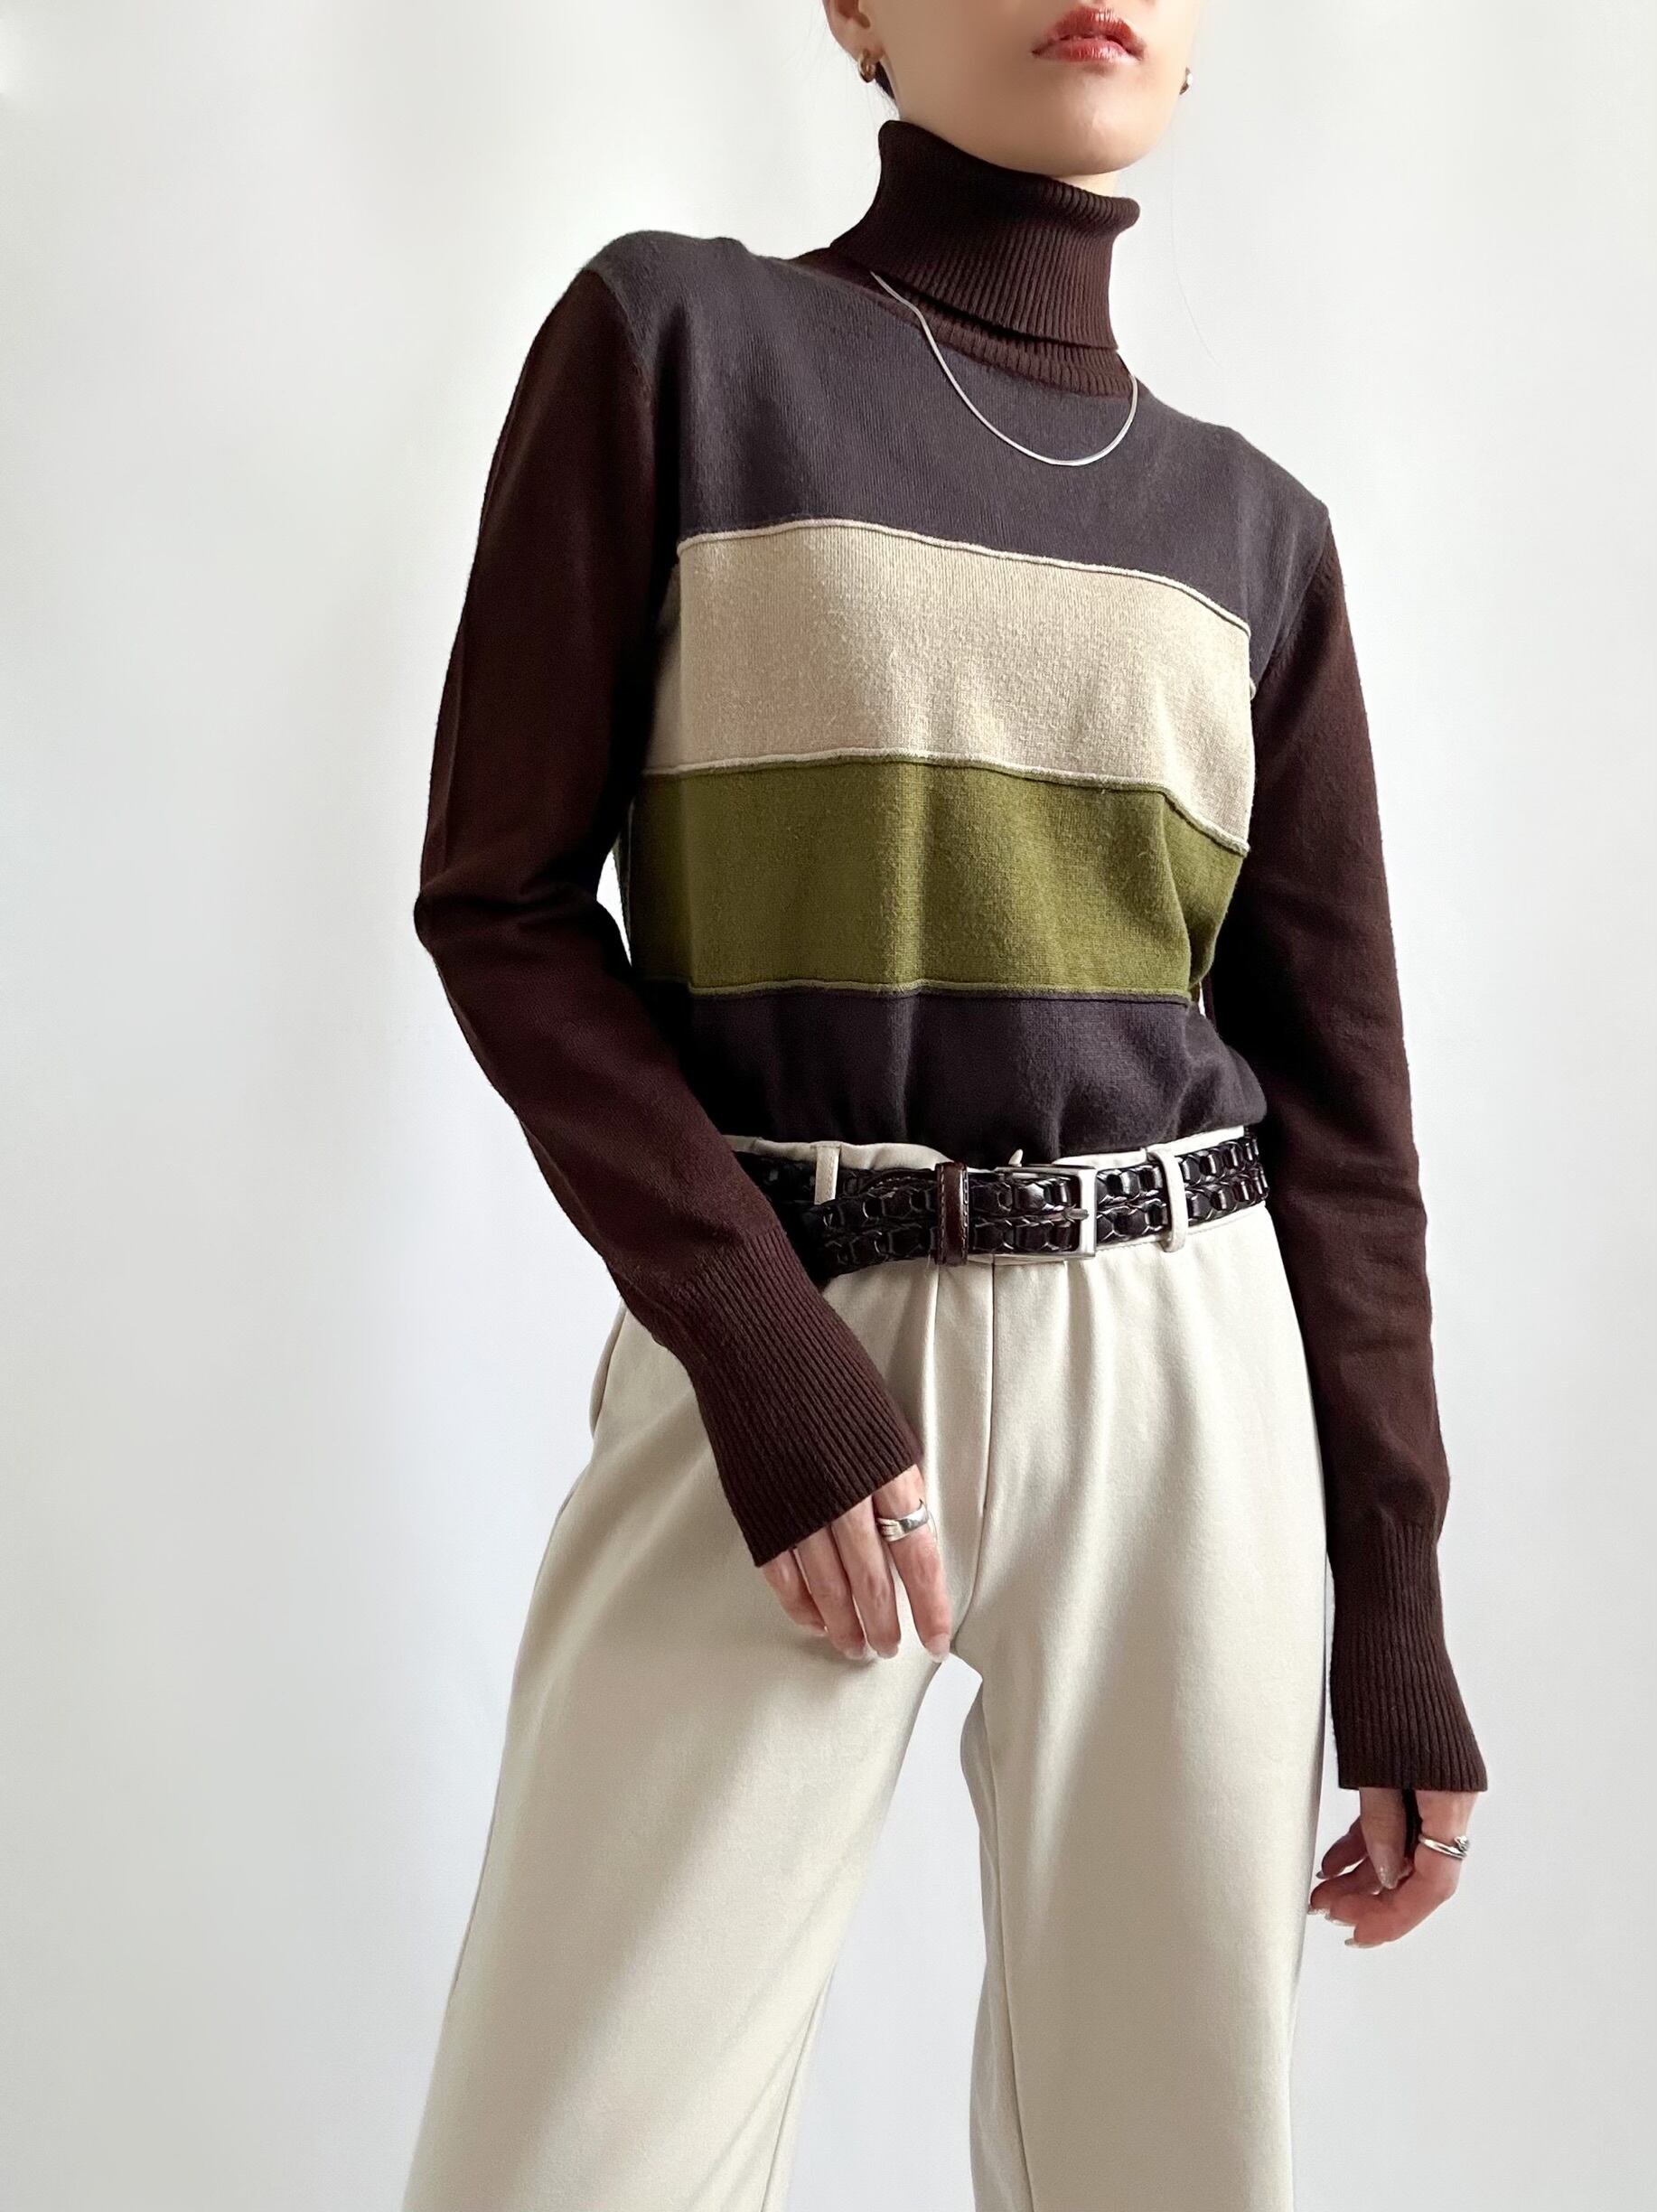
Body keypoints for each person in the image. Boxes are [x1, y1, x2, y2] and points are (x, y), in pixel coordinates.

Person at [401, 4, 1487, 2205]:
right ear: (852, 14)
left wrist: (1391, 1597)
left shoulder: (1253, 535)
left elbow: (1342, 1116)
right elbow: (497, 903)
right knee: (568, 2156)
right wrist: (760, 1349)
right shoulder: (674, 345)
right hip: (778, 1340)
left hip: (1181, 1371)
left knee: (1168, 2162)